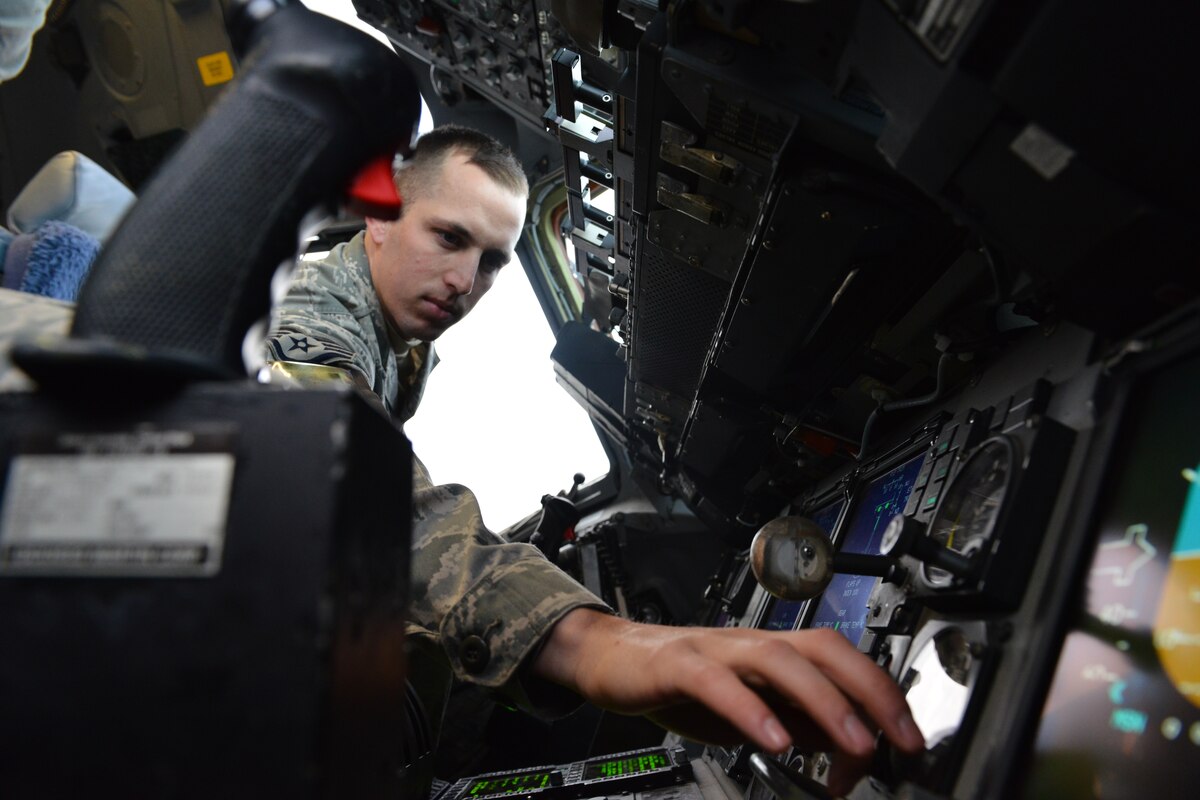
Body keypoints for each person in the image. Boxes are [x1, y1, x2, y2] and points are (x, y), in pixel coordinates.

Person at [264, 125, 924, 795]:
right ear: (380, 217)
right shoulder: (308, 313)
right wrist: (591, 643)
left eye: (493, 260)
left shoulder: (396, 329)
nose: (466, 280)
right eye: (449, 237)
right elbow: (350, 483)